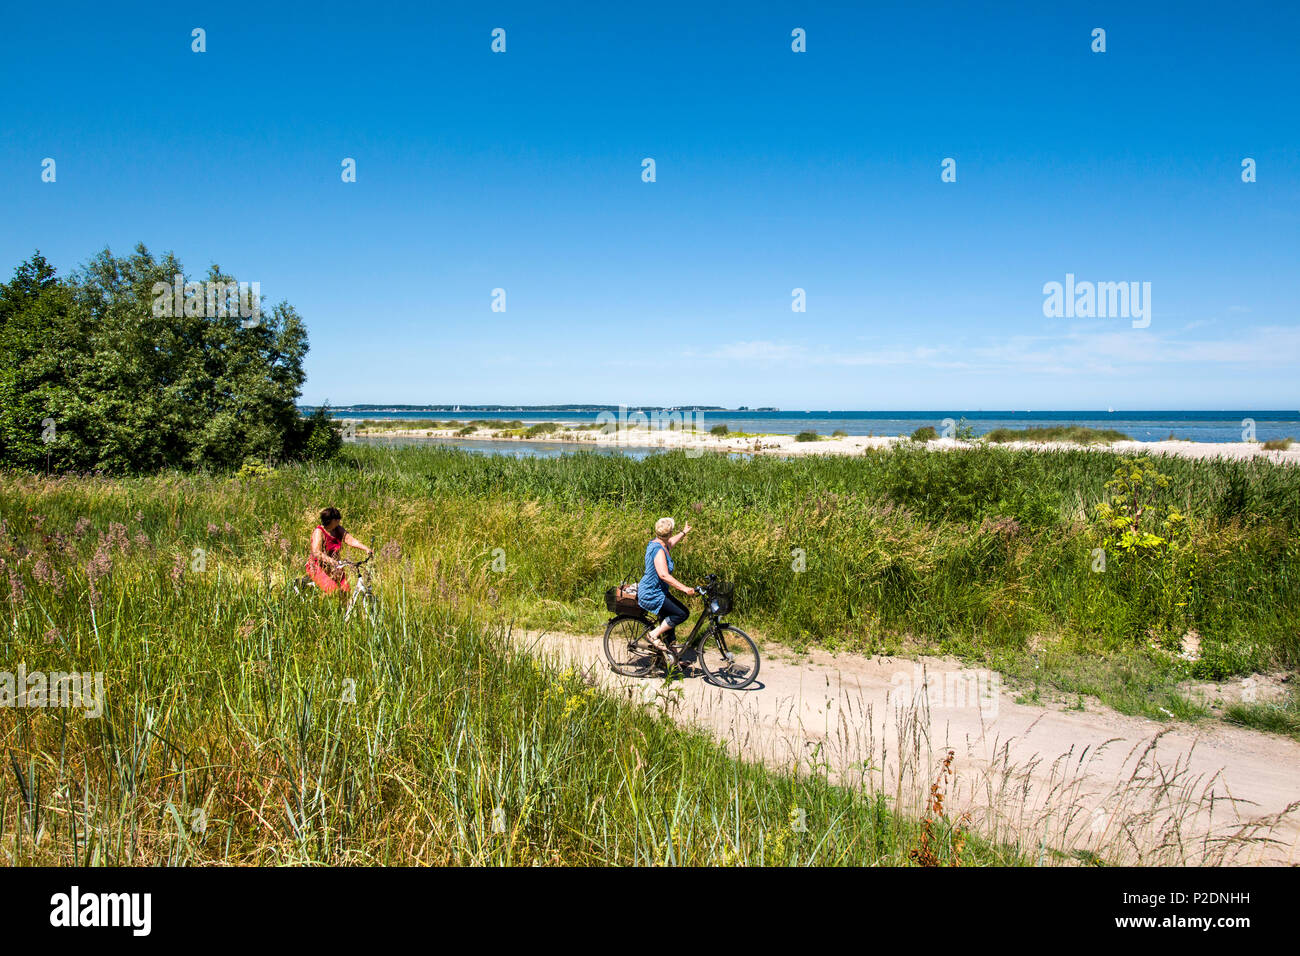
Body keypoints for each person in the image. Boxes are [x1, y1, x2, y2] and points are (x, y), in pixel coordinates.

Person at [637, 516, 695, 664]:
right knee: (682, 613)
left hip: (658, 591)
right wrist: (684, 588)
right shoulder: (659, 550)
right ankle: (653, 635)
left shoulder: (660, 543)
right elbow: (663, 574)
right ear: (668, 533)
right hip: (651, 593)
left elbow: (671, 542)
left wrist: (683, 532)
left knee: (669, 621)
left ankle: (672, 658)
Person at [306, 506, 372, 596]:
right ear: (330, 520)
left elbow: (350, 540)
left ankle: (344, 609)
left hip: (335, 566)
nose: (339, 521)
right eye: (336, 519)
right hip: (317, 566)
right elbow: (316, 552)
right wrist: (331, 561)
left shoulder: (337, 529)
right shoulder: (319, 532)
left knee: (345, 591)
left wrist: (365, 548)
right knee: (333, 590)